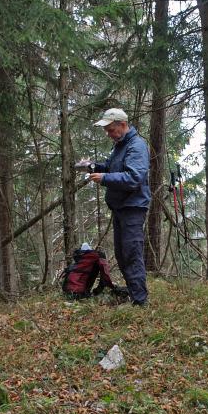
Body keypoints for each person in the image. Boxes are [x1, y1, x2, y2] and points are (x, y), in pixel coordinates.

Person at [78, 108, 150, 307]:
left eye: (110, 129)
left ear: (123, 125)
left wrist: (104, 179)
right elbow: (110, 167)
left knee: (131, 253)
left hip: (133, 208)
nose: (108, 134)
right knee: (122, 254)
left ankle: (140, 301)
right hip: (120, 207)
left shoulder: (136, 146)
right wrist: (92, 167)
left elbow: (134, 178)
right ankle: (135, 296)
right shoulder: (119, 146)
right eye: (107, 130)